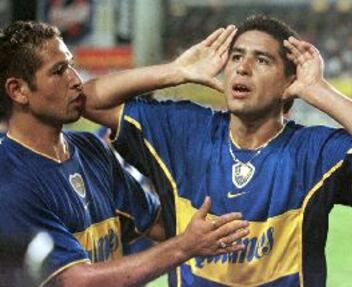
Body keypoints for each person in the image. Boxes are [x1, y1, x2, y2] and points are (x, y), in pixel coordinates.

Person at [84, 15, 352, 287]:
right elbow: (88, 100)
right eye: (237, 56)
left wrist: (320, 90)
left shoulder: (312, 151)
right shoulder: (185, 131)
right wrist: (175, 72)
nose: (242, 68)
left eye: (262, 60)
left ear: (289, 83)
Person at [0, 21, 250, 287]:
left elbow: (159, 222)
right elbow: (76, 281)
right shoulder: (8, 178)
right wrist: (185, 247)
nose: (75, 80)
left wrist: (176, 71)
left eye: (70, 65)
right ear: (18, 90)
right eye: (59, 71)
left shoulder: (90, 149)